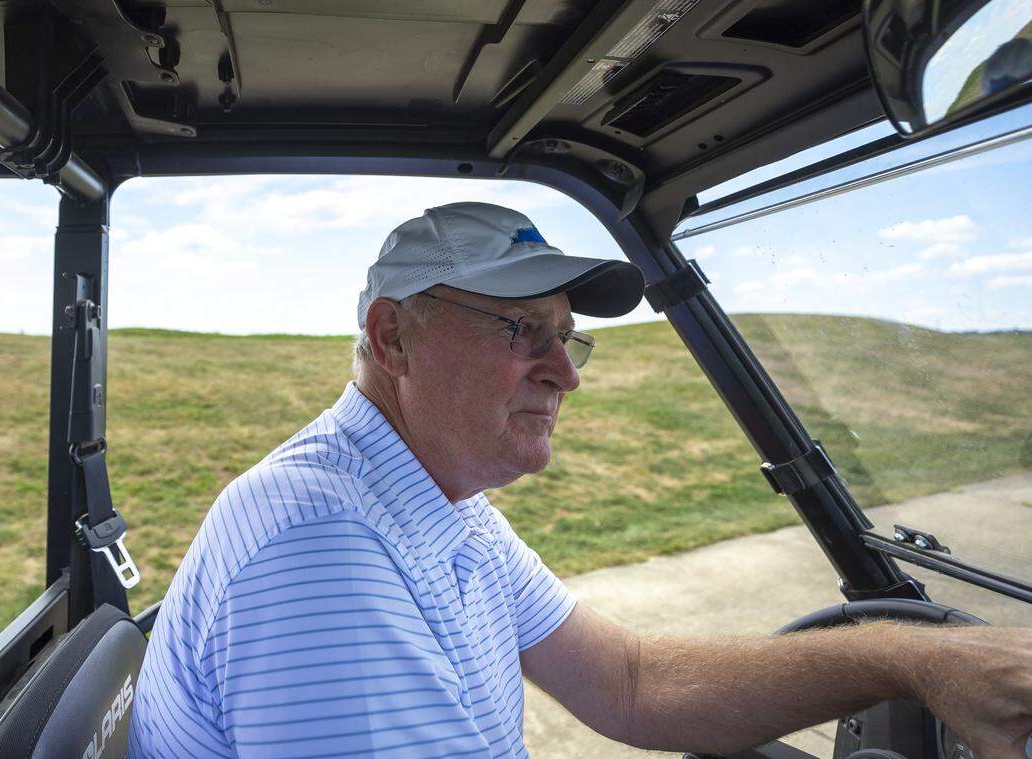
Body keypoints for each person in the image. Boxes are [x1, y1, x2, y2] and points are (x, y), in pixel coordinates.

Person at [129, 202, 1032, 758]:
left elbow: (631, 681)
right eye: (523, 330)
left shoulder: (439, 502)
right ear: (393, 337)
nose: (565, 373)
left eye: (567, 336)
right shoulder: (322, 545)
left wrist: (913, 658)